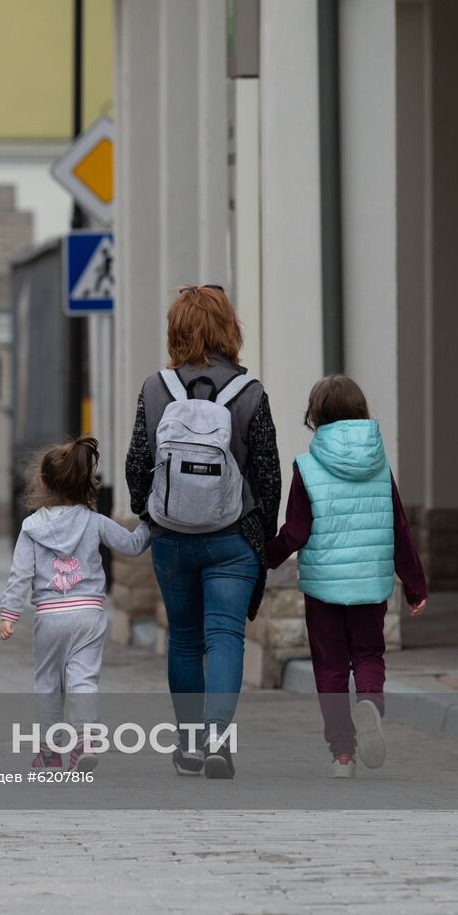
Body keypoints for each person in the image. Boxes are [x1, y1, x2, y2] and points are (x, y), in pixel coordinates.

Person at [124, 284, 280, 780]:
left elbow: (135, 464)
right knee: (226, 635)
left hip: (171, 539)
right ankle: (218, 740)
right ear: (228, 329)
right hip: (233, 538)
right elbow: (269, 475)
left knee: (185, 639)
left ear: (177, 330)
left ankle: (189, 746)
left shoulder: (155, 388)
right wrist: (264, 536)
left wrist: (147, 513)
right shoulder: (250, 393)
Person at [265, 375, 428, 779]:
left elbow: (297, 531)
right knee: (369, 655)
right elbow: (399, 527)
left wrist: (264, 556)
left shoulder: (306, 466)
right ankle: (370, 702)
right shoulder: (379, 465)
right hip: (370, 583)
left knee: (330, 666)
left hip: (323, 589)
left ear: (315, 416)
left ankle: (342, 755)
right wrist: (414, 585)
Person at [0, 436, 150, 772]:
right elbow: (133, 545)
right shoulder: (94, 522)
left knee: (48, 682)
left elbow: (20, 575)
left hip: (49, 617)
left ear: (42, 481)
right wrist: (151, 518)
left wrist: (9, 614)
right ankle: (85, 743)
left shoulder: (31, 528)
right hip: (88, 614)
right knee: (84, 679)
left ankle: (49, 753)